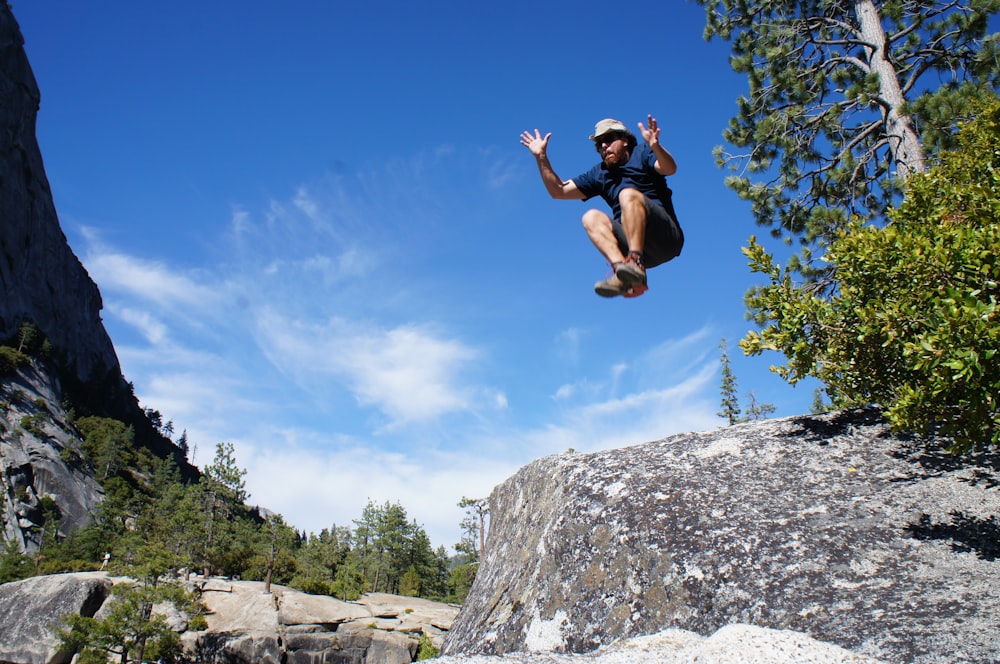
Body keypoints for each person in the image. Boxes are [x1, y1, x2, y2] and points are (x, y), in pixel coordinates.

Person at [520, 115, 683, 298]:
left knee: (627, 194)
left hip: (665, 237)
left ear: (626, 141)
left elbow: (669, 168)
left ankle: (634, 263)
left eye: (609, 139)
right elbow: (558, 191)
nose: (604, 146)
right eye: (599, 144)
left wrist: (656, 147)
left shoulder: (642, 153)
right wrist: (541, 157)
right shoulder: (600, 173)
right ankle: (624, 272)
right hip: (637, 246)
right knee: (590, 217)